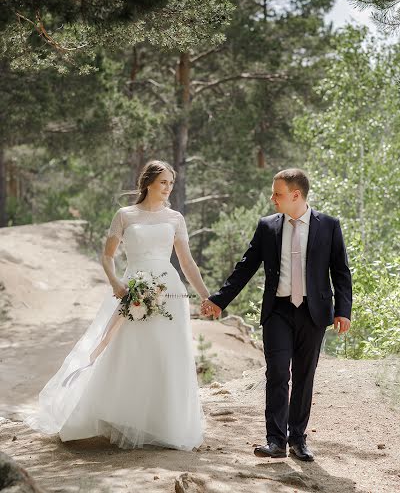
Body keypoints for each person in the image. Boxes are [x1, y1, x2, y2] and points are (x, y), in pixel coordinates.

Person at [23, 159, 210, 451]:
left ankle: (164, 423)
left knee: (166, 353)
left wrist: (205, 295)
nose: (168, 187)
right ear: (148, 183)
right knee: (127, 351)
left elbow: (186, 262)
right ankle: (119, 416)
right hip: (131, 289)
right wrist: (115, 283)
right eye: (163, 182)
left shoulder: (175, 218)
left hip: (168, 291)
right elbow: (108, 256)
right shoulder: (125, 215)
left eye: (171, 183)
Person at [201, 168, 352, 461]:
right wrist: (220, 300)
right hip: (278, 311)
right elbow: (245, 267)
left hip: (314, 312)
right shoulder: (267, 226)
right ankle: (275, 441)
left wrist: (343, 311)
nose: (272, 198)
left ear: (296, 195)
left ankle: (298, 440)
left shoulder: (329, 226)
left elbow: (341, 272)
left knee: (304, 376)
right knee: (278, 373)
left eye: (277, 193)